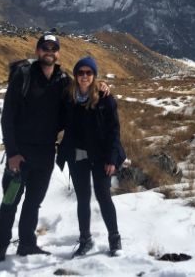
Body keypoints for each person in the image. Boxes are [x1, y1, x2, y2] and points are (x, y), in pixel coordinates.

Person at [0, 34, 109, 264]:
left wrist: (100, 85)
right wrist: (12, 153)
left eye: (54, 48)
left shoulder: (62, 80)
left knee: (33, 202)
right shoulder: (23, 76)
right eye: (45, 47)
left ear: (58, 53)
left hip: (45, 155)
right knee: (10, 201)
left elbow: (80, 94)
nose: (49, 51)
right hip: (19, 156)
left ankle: (27, 244)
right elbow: (7, 118)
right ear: (37, 50)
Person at [57, 56, 125, 257]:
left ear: (94, 75)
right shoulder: (68, 98)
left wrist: (112, 159)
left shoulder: (105, 98)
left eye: (89, 72)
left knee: (104, 197)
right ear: (75, 75)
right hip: (77, 156)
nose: (84, 76)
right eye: (80, 72)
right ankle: (85, 239)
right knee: (83, 199)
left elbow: (114, 130)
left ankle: (115, 239)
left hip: (101, 156)